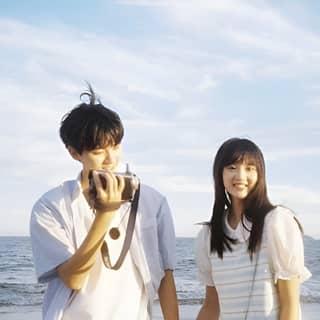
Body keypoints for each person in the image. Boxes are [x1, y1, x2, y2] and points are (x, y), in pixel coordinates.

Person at [30, 86, 179, 320]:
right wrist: (106, 213)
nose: (111, 159)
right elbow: (73, 279)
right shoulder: (51, 206)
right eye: (99, 150)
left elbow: (167, 277)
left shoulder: (153, 201)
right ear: (74, 153)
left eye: (116, 146)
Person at [195, 138, 311, 320]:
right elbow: (211, 306)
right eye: (232, 167)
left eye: (250, 168)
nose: (240, 176)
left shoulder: (277, 223)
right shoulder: (208, 235)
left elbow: (290, 305)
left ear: (260, 174)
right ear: (219, 174)